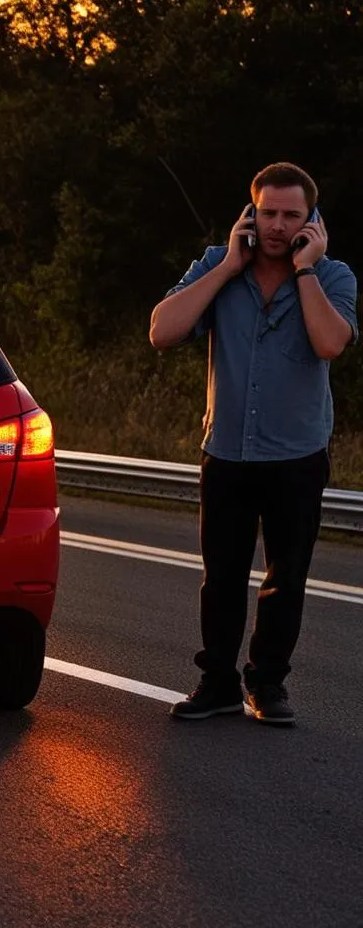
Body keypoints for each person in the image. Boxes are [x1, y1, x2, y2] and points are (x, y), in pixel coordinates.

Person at [149, 162, 358, 725]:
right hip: (227, 454)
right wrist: (227, 267)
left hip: (296, 456)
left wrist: (306, 271)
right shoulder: (217, 266)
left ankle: (267, 685)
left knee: (285, 579)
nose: (277, 224)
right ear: (251, 213)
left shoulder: (335, 276)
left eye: (292, 215)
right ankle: (216, 683)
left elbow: (331, 343)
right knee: (221, 578)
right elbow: (162, 331)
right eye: (268, 212)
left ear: (311, 221)